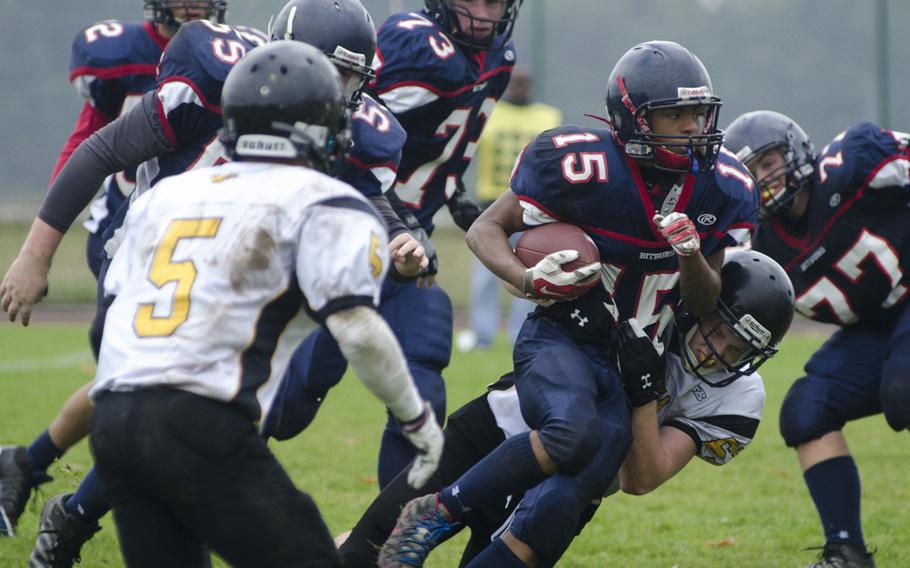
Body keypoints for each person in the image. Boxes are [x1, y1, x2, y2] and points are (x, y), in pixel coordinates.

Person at [376, 39, 759, 567]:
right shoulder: (582, 164)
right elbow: (486, 229)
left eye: (698, 112)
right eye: (676, 114)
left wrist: (691, 255)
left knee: (560, 505)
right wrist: (527, 279)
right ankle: (438, 510)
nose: (694, 126)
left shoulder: (724, 186)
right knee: (570, 433)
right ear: (634, 121)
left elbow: (705, 298)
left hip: (626, 369)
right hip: (563, 337)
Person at [86, 40, 444, 568]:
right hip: (202, 422)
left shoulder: (169, 194)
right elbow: (359, 330)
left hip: (113, 422)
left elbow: (105, 323)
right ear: (318, 126)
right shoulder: (325, 200)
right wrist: (417, 421)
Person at [340, 249, 795, 567]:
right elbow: (526, 282)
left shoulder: (739, 397)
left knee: (555, 506)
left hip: (562, 489)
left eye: (738, 350)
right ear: (701, 303)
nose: (720, 353)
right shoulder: (653, 297)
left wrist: (643, 398)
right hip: (496, 429)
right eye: (719, 332)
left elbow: (638, 478)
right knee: (364, 552)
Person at [0, 0, 237, 540]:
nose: (196, 5)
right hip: (128, 228)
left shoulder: (237, 57)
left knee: (132, 385)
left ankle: (29, 466)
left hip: (201, 233)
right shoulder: (119, 53)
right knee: (150, 390)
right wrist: (45, 239)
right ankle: (71, 515)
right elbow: (92, 141)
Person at [344, 0, 525, 486]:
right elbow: (348, 132)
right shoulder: (413, 41)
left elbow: (442, 145)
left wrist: (456, 199)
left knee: (424, 383)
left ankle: (383, 537)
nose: (487, 13)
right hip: (346, 229)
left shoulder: (497, 57)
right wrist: (396, 218)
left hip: (407, 244)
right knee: (298, 392)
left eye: (498, 2)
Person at [724, 110, 910, 568]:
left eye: (768, 163)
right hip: (875, 325)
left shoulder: (855, 162)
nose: (765, 180)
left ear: (796, 148)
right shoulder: (760, 246)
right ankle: (846, 551)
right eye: (751, 174)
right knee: (807, 408)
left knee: (903, 386)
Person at [457, 67, 562, 351]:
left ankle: (522, 332)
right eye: (514, 82)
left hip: (533, 207)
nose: (519, 87)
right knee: (485, 277)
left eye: (524, 82)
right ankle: (483, 336)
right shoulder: (489, 114)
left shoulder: (548, 116)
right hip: (491, 204)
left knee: (528, 272)